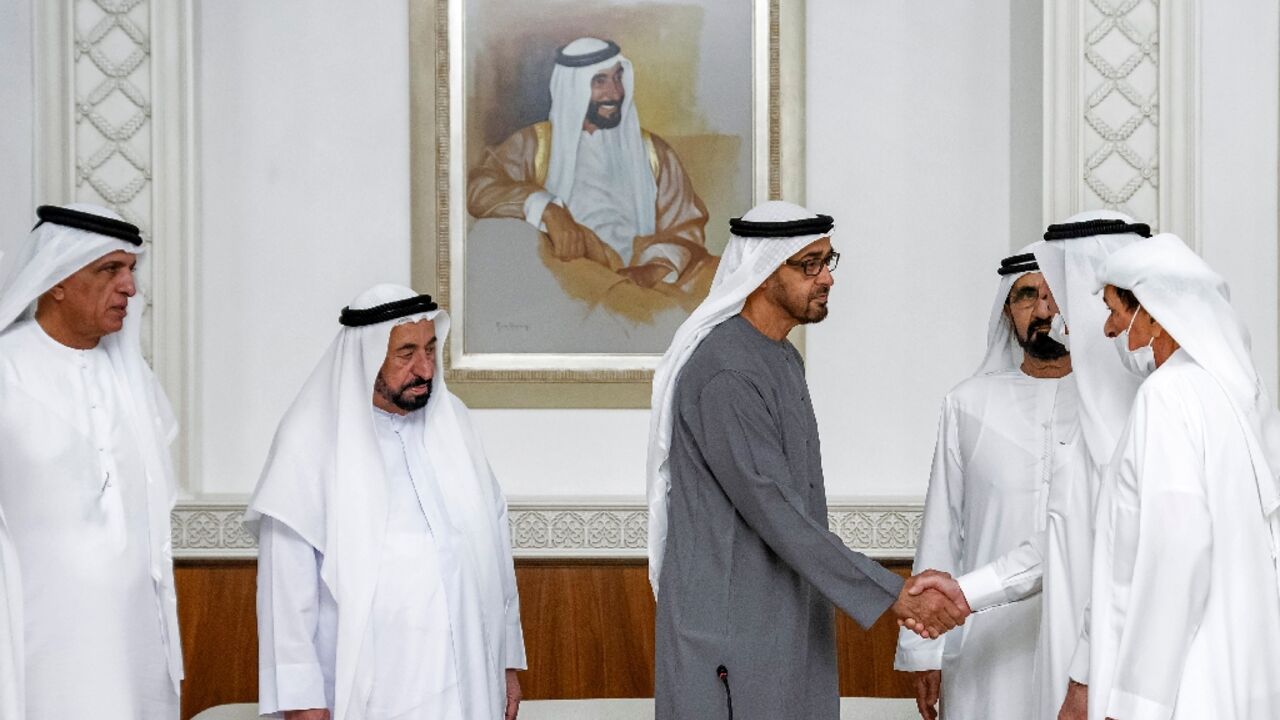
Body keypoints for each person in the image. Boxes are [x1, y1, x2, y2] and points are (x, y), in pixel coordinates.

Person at [647, 201, 970, 720]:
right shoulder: (726, 371)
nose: (826, 278)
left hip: (787, 618)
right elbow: (775, 509)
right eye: (809, 265)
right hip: (730, 633)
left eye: (828, 260)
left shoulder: (779, 357)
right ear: (761, 272)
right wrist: (893, 593)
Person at [246, 285, 526, 720]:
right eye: (406, 354)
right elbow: (286, 599)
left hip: (471, 681)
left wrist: (506, 663)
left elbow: (495, 553)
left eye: (431, 350)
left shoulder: (456, 424)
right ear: (366, 355)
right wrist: (302, 705)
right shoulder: (311, 442)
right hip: (376, 694)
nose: (424, 368)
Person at [1081, 233, 1280, 719]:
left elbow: (1179, 550)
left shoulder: (1167, 396)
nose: (1108, 330)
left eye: (1115, 311)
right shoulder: (1231, 395)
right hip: (1235, 674)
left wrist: (1135, 705)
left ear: (1152, 312)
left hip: (1183, 689)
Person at [0, 204, 184, 718]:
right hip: (34, 642)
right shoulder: (6, 372)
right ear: (55, 279)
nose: (129, 287)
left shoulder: (133, 379)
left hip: (132, 641)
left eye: (131, 270)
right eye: (110, 270)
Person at [895, 250, 1090, 720]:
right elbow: (943, 529)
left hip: (1082, 643)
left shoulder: (1108, 406)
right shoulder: (968, 403)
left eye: (1055, 296)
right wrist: (925, 650)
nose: (1044, 311)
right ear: (1008, 309)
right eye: (1027, 295)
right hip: (987, 642)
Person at [1027, 213, 1152, 720]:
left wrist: (1082, 680)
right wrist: (968, 593)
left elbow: (1132, 568)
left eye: (1064, 294)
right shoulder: (1084, 415)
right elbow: (1057, 542)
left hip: (1123, 677)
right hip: (1072, 662)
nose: (1054, 314)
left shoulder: (1160, 413)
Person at [467, 37, 711, 289]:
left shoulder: (654, 152)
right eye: (600, 81)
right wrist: (549, 209)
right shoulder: (534, 144)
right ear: (573, 88)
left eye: (618, 77)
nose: (615, 92)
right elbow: (479, 188)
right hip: (563, 277)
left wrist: (653, 269)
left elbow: (686, 226)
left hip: (642, 282)